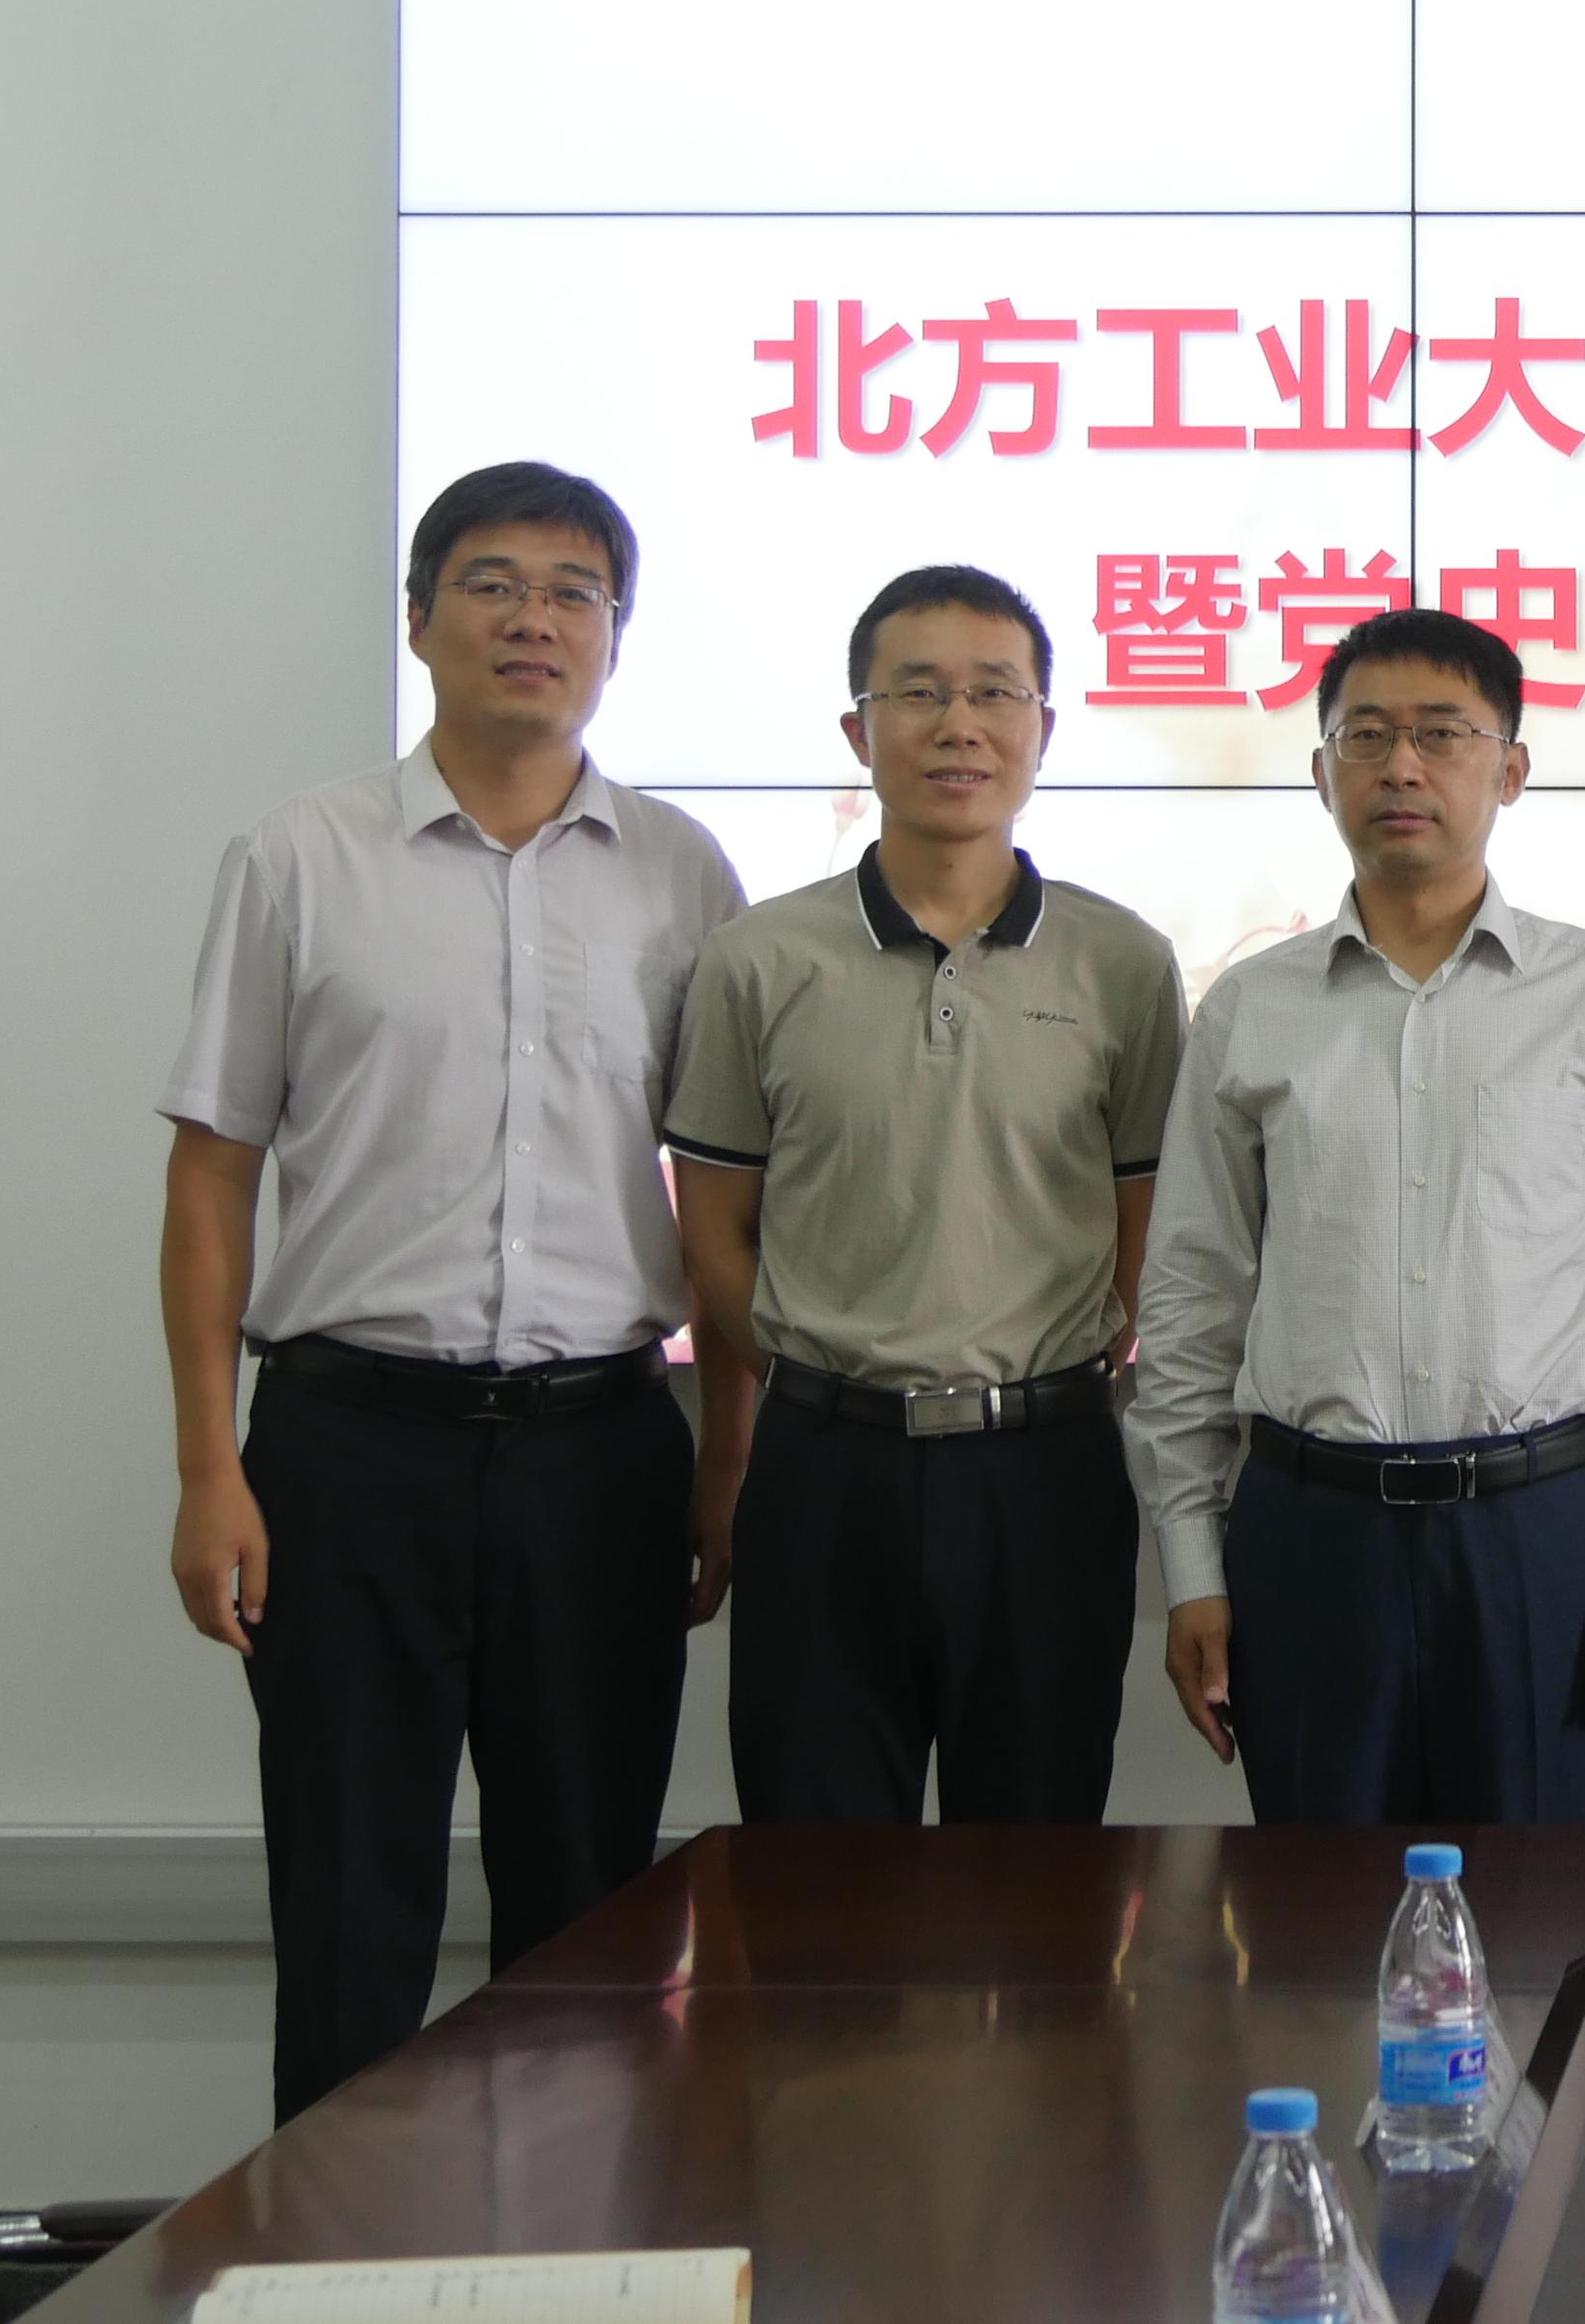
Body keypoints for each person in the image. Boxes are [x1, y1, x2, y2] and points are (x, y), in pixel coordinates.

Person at [158, 460, 741, 2121]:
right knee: (351, 1910)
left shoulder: (683, 874)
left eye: (574, 592)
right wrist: (209, 1469)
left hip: (599, 1450)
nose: (533, 619)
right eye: (493, 582)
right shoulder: (299, 856)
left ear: (615, 636)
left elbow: (722, 1199)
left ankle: (576, 2248)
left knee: (588, 1920)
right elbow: (211, 1176)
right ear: (418, 620)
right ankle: (334, 2251)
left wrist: (723, 1454)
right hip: (348, 1450)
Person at [1134, 606, 1585, 1822]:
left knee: (1539, 1905)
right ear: (1322, 773)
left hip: (1538, 1533)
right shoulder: (1250, 1009)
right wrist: (1192, 1566)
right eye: (1367, 736)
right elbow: (1191, 1304)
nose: (1402, 766)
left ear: (1511, 768)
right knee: (1316, 1914)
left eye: (1443, 734)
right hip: (1310, 1533)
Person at [664, 563, 1182, 1825]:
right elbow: (713, 1226)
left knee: (1037, 1868)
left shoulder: (1123, 962)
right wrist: (813, 1376)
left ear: (1044, 729)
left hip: (1047, 1469)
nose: (961, 725)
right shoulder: (759, 958)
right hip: (823, 1469)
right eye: (920, 693)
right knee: (818, 1874)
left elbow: (1148, 1230)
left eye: (996, 693)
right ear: (860, 730)